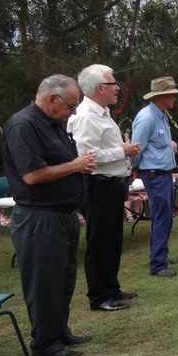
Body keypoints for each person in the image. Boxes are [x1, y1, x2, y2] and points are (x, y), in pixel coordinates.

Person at [1, 74, 97, 356]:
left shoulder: (55, 125)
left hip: (63, 216)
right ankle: (44, 345)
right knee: (44, 282)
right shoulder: (23, 126)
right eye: (71, 105)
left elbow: (63, 165)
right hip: (39, 218)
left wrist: (78, 168)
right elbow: (32, 175)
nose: (73, 112)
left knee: (64, 280)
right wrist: (75, 165)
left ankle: (59, 331)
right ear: (52, 98)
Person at [67, 64, 140, 313]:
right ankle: (99, 296)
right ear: (100, 88)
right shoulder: (86, 116)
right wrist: (123, 151)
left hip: (112, 184)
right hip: (98, 185)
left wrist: (123, 155)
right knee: (100, 241)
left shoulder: (103, 112)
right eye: (113, 84)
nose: (118, 88)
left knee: (113, 239)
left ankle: (111, 287)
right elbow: (84, 155)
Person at [130, 76, 178, 276]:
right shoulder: (147, 118)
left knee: (165, 218)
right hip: (154, 175)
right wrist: (135, 170)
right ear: (163, 96)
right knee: (162, 218)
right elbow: (136, 148)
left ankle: (160, 255)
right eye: (173, 94)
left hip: (163, 174)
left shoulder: (161, 115)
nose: (175, 98)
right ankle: (157, 265)